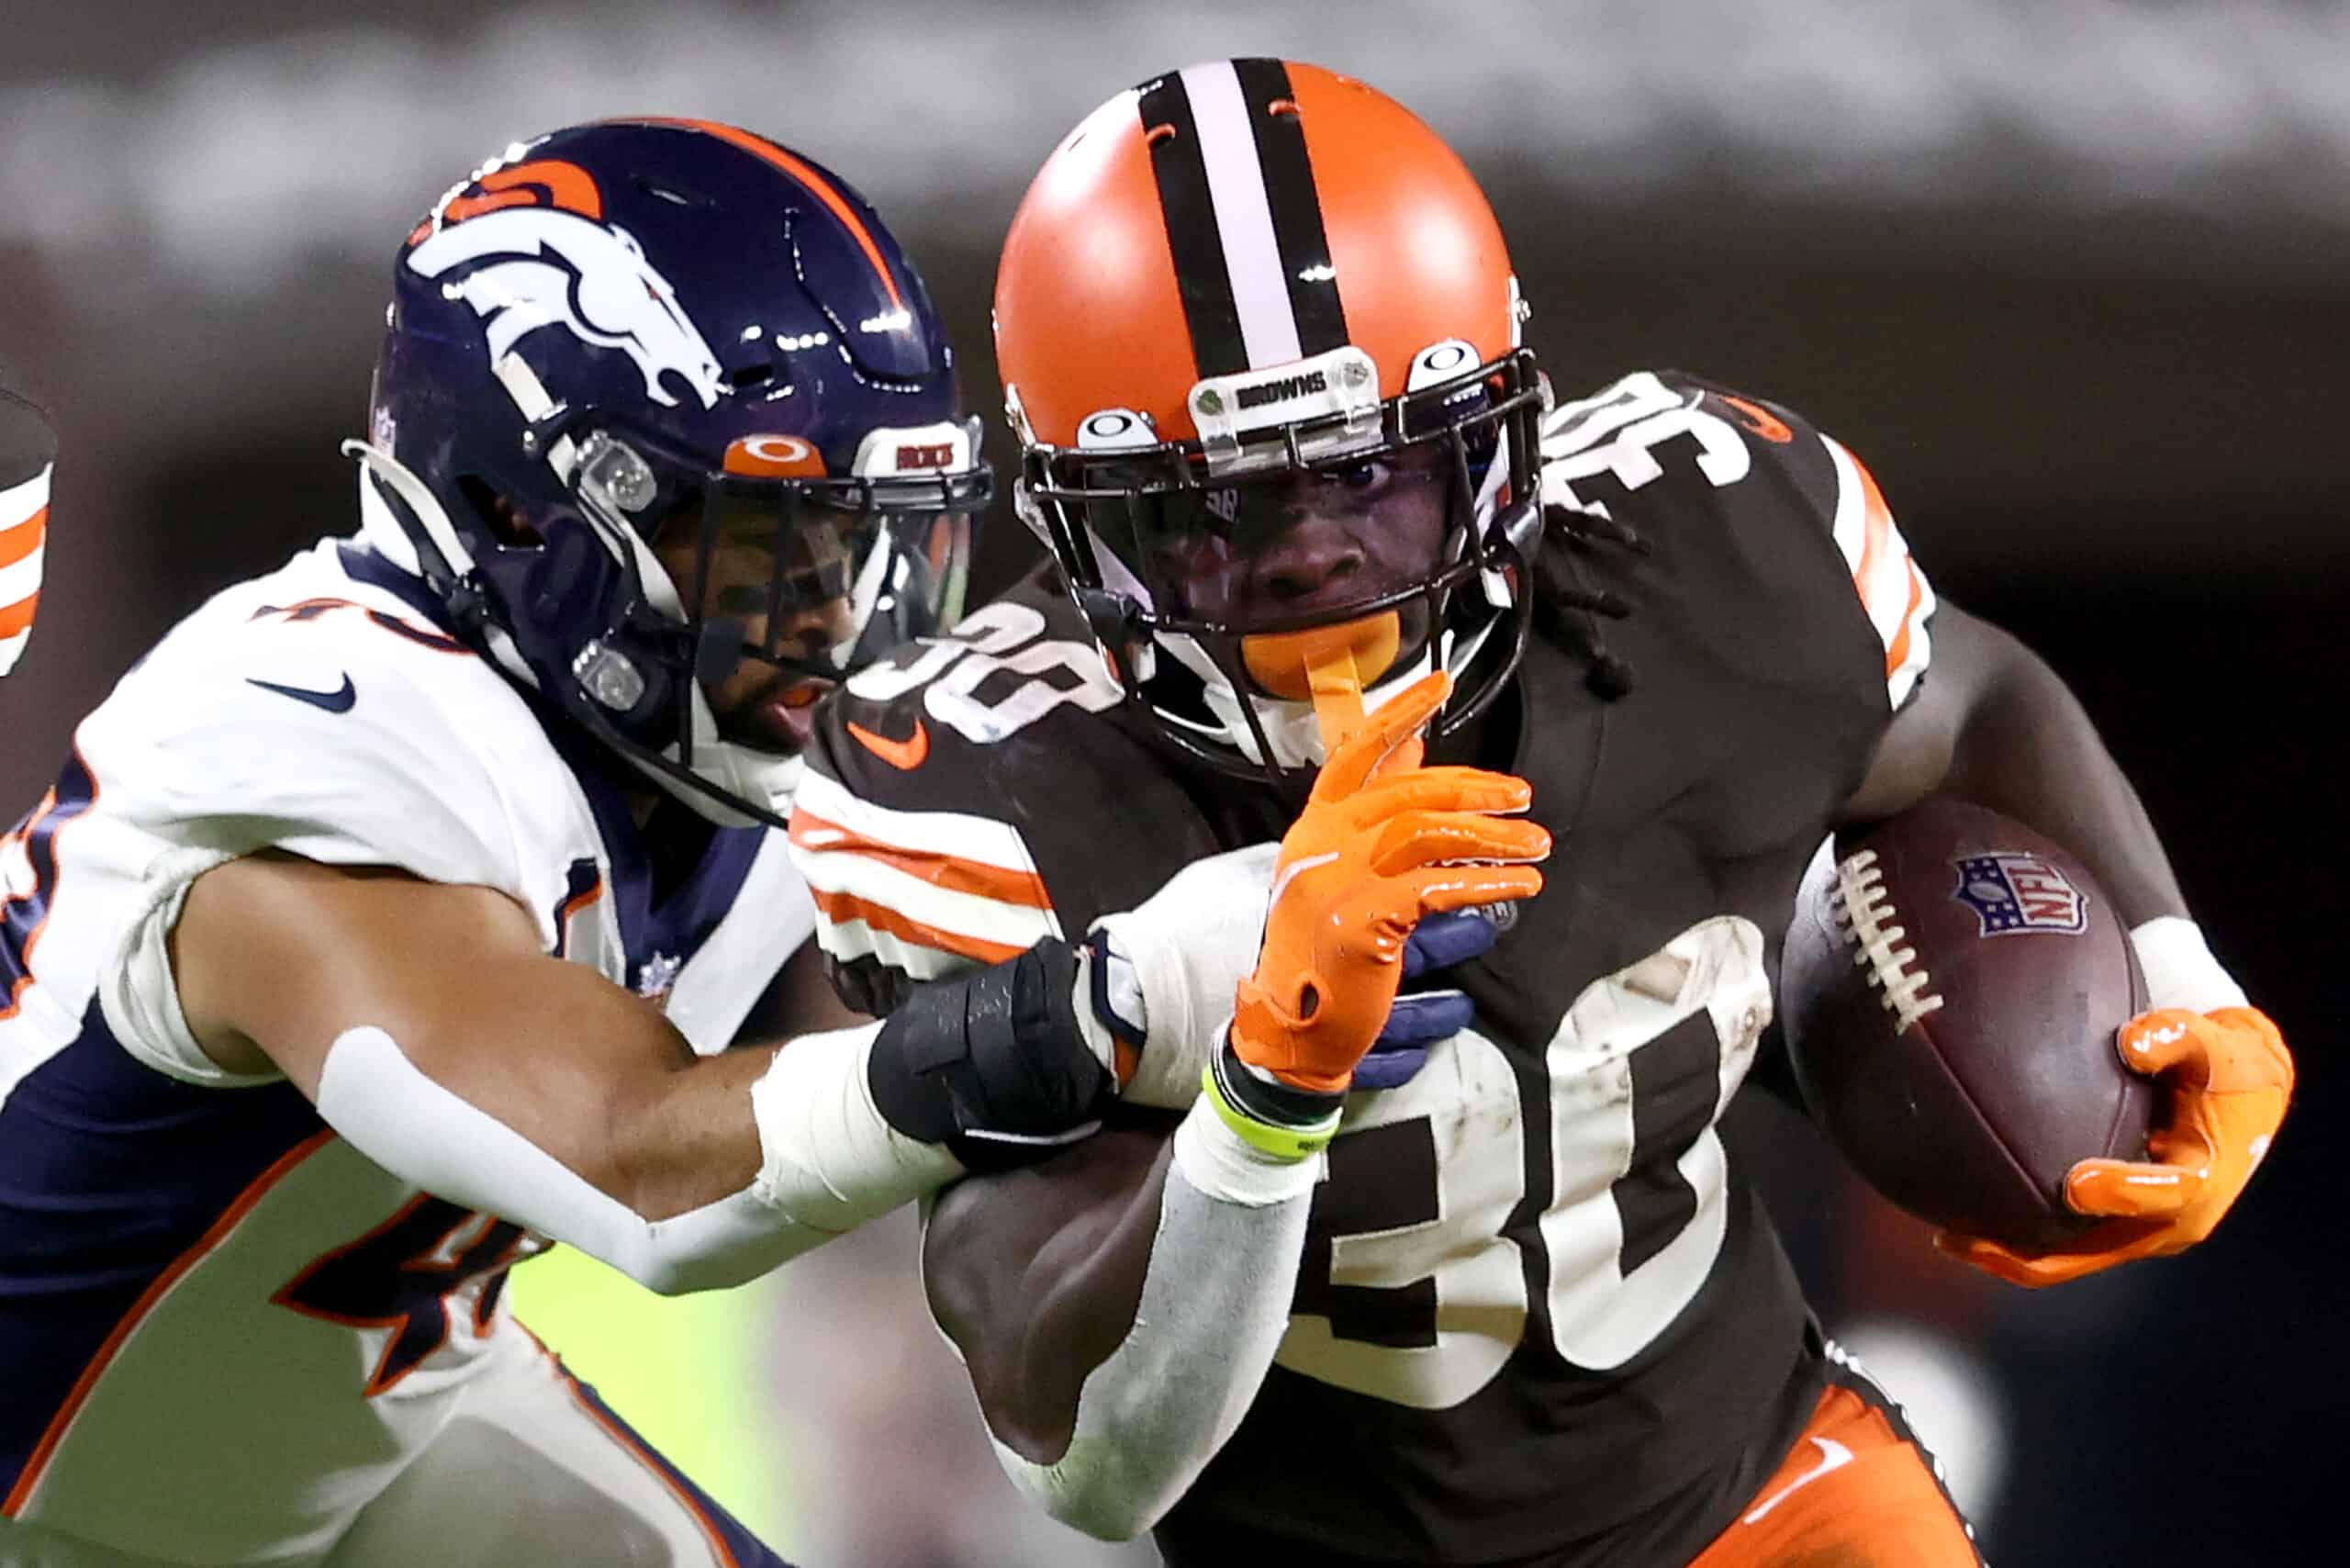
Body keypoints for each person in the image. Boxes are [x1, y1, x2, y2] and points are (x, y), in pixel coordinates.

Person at [789, 60, 2296, 1567]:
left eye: (1379, 471)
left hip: (1760, 1494)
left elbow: (1969, 697)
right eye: (1215, 509)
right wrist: (1264, 1092)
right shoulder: (978, 793)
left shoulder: (1711, 550)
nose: (1318, 556)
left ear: (1507, 441)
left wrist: (2181, 978)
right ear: (1074, 531)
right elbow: (1096, 1460)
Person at [0, 119, 1154, 1568]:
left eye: (870, 543)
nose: (837, 619)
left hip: (365, 1429)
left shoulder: (696, 741)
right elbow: (642, 1168)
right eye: (764, 545)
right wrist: (1103, 1014)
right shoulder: (322, 762)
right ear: (522, 511)